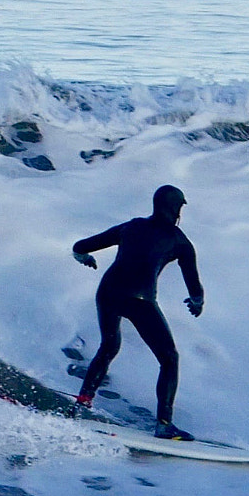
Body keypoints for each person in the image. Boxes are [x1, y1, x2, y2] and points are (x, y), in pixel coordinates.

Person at [65, 185, 204, 440]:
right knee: (169, 358)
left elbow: (81, 246)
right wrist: (197, 302)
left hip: (108, 292)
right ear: (176, 208)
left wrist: (82, 257)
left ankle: (82, 403)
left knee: (108, 347)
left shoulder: (131, 226)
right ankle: (164, 424)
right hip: (139, 300)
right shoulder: (180, 241)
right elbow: (194, 284)